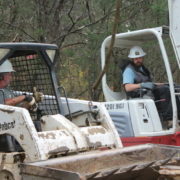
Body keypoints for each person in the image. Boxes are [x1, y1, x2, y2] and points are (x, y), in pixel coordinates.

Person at [123, 45, 180, 123]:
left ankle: (177, 117)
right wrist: (142, 85)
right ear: (132, 59)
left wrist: (166, 84)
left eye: (139, 58)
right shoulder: (129, 70)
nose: (138, 60)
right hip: (139, 95)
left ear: (142, 57)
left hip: (149, 92)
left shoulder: (144, 69)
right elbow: (128, 87)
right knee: (165, 90)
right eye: (136, 58)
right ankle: (168, 120)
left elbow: (151, 84)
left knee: (175, 89)